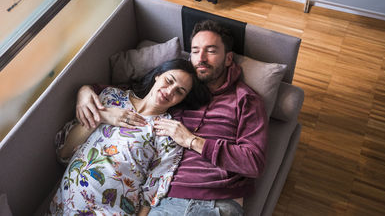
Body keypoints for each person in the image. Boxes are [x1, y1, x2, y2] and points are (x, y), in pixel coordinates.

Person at [76, 20, 268, 216]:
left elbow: (253, 163)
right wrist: (84, 92)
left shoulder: (245, 100)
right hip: (162, 201)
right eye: (195, 50)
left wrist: (192, 141)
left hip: (213, 201)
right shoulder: (179, 93)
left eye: (211, 51)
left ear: (228, 59)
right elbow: (130, 97)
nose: (201, 58)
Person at [48, 59, 210, 216]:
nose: (169, 91)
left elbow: (151, 194)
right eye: (169, 80)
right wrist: (102, 116)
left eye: (179, 91)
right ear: (158, 75)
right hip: (64, 206)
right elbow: (64, 153)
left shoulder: (167, 134)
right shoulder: (110, 97)